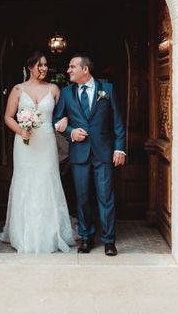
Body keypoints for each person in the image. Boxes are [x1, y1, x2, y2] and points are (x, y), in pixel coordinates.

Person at [0, 51, 76, 253]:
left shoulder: (55, 89)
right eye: (39, 65)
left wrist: (65, 120)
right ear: (30, 67)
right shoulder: (17, 89)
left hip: (47, 142)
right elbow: (8, 117)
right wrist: (21, 130)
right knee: (25, 181)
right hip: (24, 144)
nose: (43, 69)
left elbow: (62, 115)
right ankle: (23, 233)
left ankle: (51, 233)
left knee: (48, 181)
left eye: (45, 65)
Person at [53, 55, 126, 256]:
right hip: (79, 153)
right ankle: (86, 238)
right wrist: (71, 133)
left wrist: (119, 148)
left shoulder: (107, 90)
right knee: (83, 197)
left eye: (72, 67)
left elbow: (117, 121)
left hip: (103, 152)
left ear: (85, 70)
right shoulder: (66, 93)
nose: (68, 70)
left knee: (106, 197)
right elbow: (57, 120)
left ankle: (109, 241)